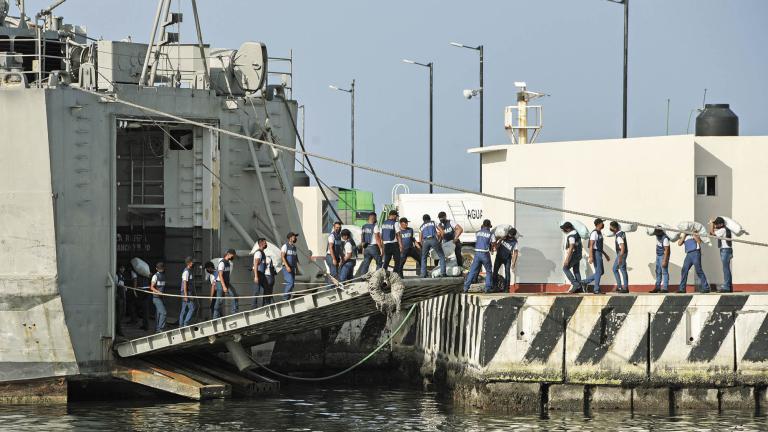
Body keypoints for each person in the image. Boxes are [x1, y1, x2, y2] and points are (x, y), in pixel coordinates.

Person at [463, 219, 495, 293]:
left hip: (477, 253)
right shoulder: (491, 234)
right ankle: (488, 288)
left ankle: (466, 287)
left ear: (483, 225)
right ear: (489, 226)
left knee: (472, 271)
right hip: (485, 254)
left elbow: (477, 240)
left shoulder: (477, 233)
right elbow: (493, 244)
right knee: (488, 271)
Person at [580, 219, 611, 294]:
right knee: (599, 271)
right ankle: (596, 289)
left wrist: (605, 254)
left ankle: (584, 282)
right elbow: (591, 245)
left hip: (599, 252)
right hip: (595, 253)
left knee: (601, 272)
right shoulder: (594, 233)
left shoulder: (599, 232)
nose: (603, 224)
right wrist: (591, 257)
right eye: (602, 223)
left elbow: (599, 246)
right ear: (598, 224)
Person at [710, 217, 733, 293]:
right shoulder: (724, 229)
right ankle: (729, 286)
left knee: (725, 269)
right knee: (726, 269)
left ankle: (726, 287)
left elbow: (712, 233)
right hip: (727, 250)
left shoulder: (723, 230)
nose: (716, 225)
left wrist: (711, 224)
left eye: (717, 223)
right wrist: (713, 225)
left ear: (721, 224)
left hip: (725, 250)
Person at [493, 228, 519, 293]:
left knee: (507, 273)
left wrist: (513, 263)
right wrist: (501, 239)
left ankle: (506, 288)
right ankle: (494, 286)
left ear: (513, 235)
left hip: (507, 258)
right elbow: (497, 245)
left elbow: (515, 253)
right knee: (495, 272)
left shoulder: (514, 242)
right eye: (509, 234)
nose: (509, 236)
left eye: (511, 235)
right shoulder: (504, 237)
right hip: (499, 257)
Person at [357, 212, 383, 276]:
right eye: (375, 217)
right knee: (379, 262)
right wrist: (381, 248)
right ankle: (377, 277)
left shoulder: (363, 226)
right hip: (373, 247)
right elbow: (377, 238)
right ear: (373, 218)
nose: (376, 219)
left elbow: (362, 237)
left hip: (366, 248)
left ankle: (362, 277)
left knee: (366, 263)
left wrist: (363, 248)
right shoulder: (375, 226)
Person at [561, 222, 584, 294]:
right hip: (579, 254)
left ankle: (575, 284)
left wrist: (567, 259)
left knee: (565, 268)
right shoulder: (577, 233)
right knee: (576, 270)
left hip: (574, 255)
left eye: (564, 229)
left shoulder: (571, 236)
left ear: (568, 229)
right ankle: (580, 288)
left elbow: (571, 248)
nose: (563, 230)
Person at [216, 249, 239, 315]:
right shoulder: (222, 263)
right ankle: (215, 317)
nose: (233, 257)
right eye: (233, 255)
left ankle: (234, 312)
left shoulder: (228, 263)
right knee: (219, 300)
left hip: (226, 283)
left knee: (234, 295)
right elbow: (220, 275)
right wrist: (224, 286)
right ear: (228, 254)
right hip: (220, 283)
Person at [649, 227, 671, 293]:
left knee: (664, 271)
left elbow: (667, 250)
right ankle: (657, 287)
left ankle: (665, 288)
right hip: (658, 255)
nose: (656, 235)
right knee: (658, 271)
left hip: (663, 255)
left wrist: (665, 260)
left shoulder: (665, 239)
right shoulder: (657, 236)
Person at [610, 221, 629, 293]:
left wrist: (620, 258)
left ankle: (625, 288)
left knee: (622, 270)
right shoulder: (622, 233)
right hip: (622, 253)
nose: (610, 229)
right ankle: (619, 286)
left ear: (614, 228)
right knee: (615, 269)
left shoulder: (618, 236)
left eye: (611, 227)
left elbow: (622, 247)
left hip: (621, 253)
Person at [281, 232, 300, 301]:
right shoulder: (285, 246)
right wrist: (287, 266)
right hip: (287, 268)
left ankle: (288, 298)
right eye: (294, 236)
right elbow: (282, 256)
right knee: (290, 282)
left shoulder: (294, 247)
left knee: (292, 285)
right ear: (290, 238)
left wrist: (297, 269)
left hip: (293, 267)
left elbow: (295, 259)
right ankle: (284, 299)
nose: (295, 238)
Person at [149, 262, 167, 333]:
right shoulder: (155, 276)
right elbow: (151, 287)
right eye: (159, 268)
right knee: (164, 313)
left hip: (161, 298)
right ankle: (160, 329)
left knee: (158, 314)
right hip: (156, 298)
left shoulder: (164, 276)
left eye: (162, 268)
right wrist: (158, 292)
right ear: (156, 269)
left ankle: (157, 329)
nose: (161, 270)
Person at [178, 257, 196, 327]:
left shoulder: (189, 270)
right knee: (192, 308)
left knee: (184, 309)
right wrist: (186, 295)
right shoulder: (186, 272)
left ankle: (181, 325)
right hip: (186, 292)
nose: (193, 263)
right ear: (189, 263)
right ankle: (185, 323)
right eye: (192, 262)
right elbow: (184, 284)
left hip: (188, 292)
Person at [252, 238, 269, 308]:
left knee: (266, 288)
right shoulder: (258, 252)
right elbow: (255, 264)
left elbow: (259, 263)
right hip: (258, 273)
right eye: (265, 242)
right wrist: (256, 276)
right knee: (257, 290)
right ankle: (254, 306)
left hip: (261, 273)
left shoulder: (262, 253)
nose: (266, 244)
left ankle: (265, 304)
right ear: (261, 243)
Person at [115, 264, 127, 337]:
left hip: (123, 296)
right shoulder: (117, 276)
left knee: (123, 313)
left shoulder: (122, 276)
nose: (123, 269)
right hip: (119, 297)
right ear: (119, 269)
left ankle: (118, 328)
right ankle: (119, 330)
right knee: (119, 314)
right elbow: (116, 285)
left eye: (123, 268)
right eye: (122, 268)